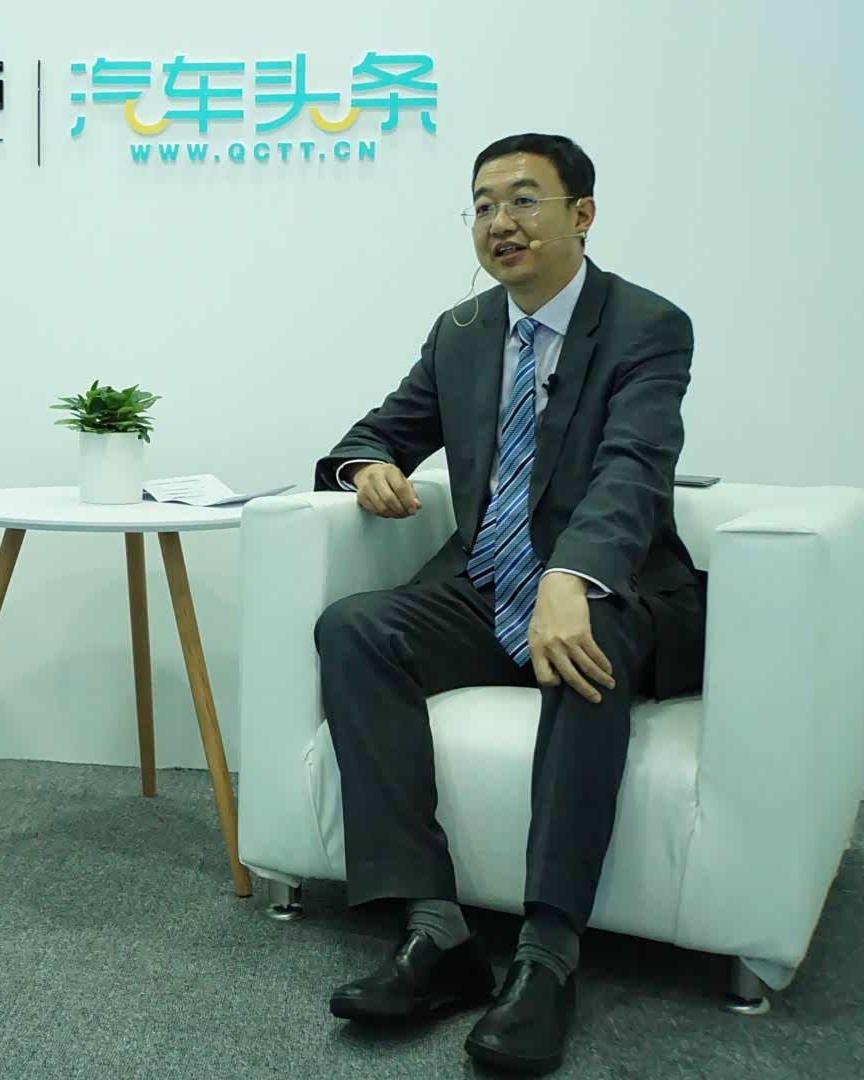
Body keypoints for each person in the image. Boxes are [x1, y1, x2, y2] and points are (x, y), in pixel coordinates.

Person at [312, 133, 706, 1074]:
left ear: (582, 214)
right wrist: (366, 466)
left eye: (524, 200)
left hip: (611, 586)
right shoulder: (461, 331)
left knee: (585, 636)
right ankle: (436, 931)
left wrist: (574, 576)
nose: (501, 222)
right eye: (484, 205)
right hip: (486, 584)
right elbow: (379, 430)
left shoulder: (647, 325)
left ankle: (547, 955)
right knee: (355, 627)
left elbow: (634, 469)